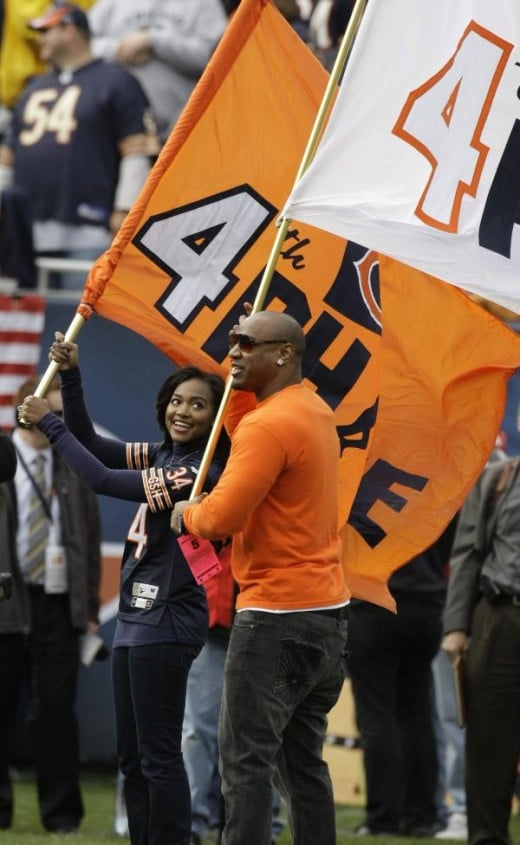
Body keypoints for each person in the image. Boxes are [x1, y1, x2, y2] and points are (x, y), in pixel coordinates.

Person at [21, 334, 229, 845]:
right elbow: (91, 444)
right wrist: (70, 379)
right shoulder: (162, 452)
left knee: (158, 755)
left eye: (198, 405)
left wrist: (48, 421)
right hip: (138, 620)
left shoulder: (196, 472)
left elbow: (100, 478)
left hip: (168, 619)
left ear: (214, 416)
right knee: (132, 758)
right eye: (177, 400)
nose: (183, 411)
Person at [171, 307, 349, 845]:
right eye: (232, 341)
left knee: (244, 766)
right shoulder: (312, 408)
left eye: (246, 343)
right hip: (327, 616)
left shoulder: (270, 425)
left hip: (273, 618)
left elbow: (222, 518)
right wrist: (242, 386)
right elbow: (246, 423)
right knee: (302, 768)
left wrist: (187, 514)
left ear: (284, 353)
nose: (233, 352)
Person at [0, 374, 101, 833]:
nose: (52, 421)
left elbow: (91, 537)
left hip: (58, 603)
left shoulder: (74, 465)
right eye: (47, 412)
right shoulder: (4, 458)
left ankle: (62, 816)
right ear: (24, 408)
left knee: (56, 710)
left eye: (59, 416)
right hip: (6, 601)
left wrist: (89, 611)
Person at [0, 1, 158, 289]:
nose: (40, 39)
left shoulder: (117, 82)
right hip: (24, 235)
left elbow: (137, 153)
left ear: (69, 29)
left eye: (46, 31)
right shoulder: (32, 88)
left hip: (89, 230)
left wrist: (124, 210)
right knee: (27, 320)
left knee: (78, 322)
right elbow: (7, 159)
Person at [347, 526, 456, 838]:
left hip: (373, 599)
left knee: (377, 714)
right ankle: (421, 814)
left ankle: (384, 816)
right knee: (416, 712)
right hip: (428, 599)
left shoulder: (365, 477)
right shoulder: (437, 477)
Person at [441, 454, 520, 845]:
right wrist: (456, 627)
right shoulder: (497, 478)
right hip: (499, 617)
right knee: (488, 744)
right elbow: (468, 554)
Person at [88, 0, 227, 145]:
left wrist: (153, 40)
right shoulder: (109, 4)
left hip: (189, 131)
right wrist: (117, 50)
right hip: (124, 138)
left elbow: (215, 60)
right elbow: (79, 49)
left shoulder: (204, 4)